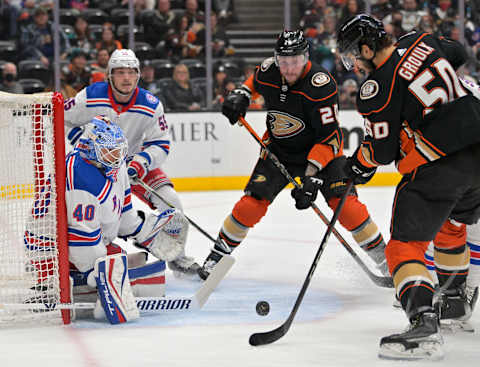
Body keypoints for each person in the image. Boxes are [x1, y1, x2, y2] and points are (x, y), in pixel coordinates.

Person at [337, 14, 480, 360]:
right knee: (451, 221)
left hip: (441, 159)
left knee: (403, 246)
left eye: (353, 56)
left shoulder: (376, 89)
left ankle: (423, 325)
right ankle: (454, 302)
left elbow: (383, 152)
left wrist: (357, 165)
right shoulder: (421, 39)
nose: (353, 65)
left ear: (368, 49)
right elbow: (458, 52)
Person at [197, 30, 388, 281]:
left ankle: (387, 262)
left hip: (323, 153)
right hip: (280, 150)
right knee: (250, 205)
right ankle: (217, 255)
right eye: (284, 61)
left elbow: (328, 137)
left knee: (347, 208)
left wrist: (310, 176)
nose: (289, 68)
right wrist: (242, 94)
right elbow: (255, 81)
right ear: (277, 59)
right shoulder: (270, 69)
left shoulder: (321, 85)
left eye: (295, 61)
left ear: (305, 57)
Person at [24, 115, 188, 324]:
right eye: (110, 151)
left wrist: (149, 233)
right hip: (49, 247)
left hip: (78, 238)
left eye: (119, 150)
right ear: (91, 149)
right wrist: (98, 274)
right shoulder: (81, 176)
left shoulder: (113, 166)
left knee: (121, 259)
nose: (116, 156)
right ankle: (53, 284)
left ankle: (84, 283)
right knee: (113, 263)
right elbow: (81, 237)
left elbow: (124, 216)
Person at [63, 49, 200, 277]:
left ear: (138, 76)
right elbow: (64, 119)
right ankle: (96, 256)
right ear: (109, 76)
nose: (126, 78)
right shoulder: (90, 96)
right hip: (97, 164)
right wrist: (84, 142)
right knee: (100, 214)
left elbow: (160, 143)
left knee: (172, 202)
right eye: (120, 72)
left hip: (132, 163)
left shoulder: (151, 104)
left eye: (131, 72)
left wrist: (140, 163)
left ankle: (178, 258)